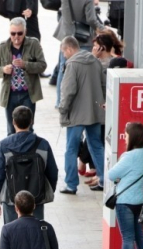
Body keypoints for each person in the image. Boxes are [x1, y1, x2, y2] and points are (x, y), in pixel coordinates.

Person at [0, 106, 58, 224]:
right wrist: (45, 191)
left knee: (12, 234)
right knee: (36, 234)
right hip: (35, 199)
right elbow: (53, 172)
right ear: (31, 121)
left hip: (11, 199)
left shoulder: (4, 145)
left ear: (13, 122)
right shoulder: (43, 144)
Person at [58, 36, 105, 194]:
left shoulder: (72, 64)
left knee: (71, 149)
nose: (64, 55)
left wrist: (63, 110)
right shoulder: (95, 61)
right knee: (97, 146)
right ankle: (104, 179)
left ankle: (71, 184)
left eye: (64, 52)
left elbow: (68, 91)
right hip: (95, 112)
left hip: (76, 115)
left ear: (69, 49)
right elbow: (104, 84)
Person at [106, 122, 143, 249]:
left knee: (127, 237)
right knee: (140, 236)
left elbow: (111, 175)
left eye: (126, 135)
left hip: (125, 201)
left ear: (132, 137)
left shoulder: (130, 156)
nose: (124, 138)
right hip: (140, 200)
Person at [0, 18, 47, 136]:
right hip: (9, 95)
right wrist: (3, 70)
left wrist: (26, 65)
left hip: (28, 94)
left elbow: (42, 65)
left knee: (28, 129)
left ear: (25, 32)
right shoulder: (3, 47)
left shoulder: (33, 44)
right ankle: (13, 154)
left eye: (19, 33)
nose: (16, 37)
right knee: (11, 130)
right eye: (13, 33)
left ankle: (28, 153)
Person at [54, 0, 103, 107]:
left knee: (63, 69)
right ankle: (81, 102)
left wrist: (68, 37)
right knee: (84, 69)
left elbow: (66, 14)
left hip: (67, 34)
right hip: (84, 37)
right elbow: (91, 19)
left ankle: (59, 101)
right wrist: (103, 29)